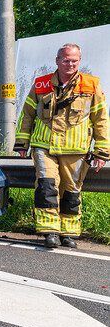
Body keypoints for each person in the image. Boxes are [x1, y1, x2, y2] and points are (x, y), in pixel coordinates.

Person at [14, 43, 109, 248]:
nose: (70, 64)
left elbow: (101, 119)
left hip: (76, 149)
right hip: (44, 146)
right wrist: (22, 143)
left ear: (79, 61)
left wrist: (101, 152)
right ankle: (50, 231)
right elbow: (27, 114)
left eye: (74, 60)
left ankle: (69, 233)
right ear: (57, 60)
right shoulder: (41, 84)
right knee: (47, 186)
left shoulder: (91, 85)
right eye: (66, 60)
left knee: (72, 190)